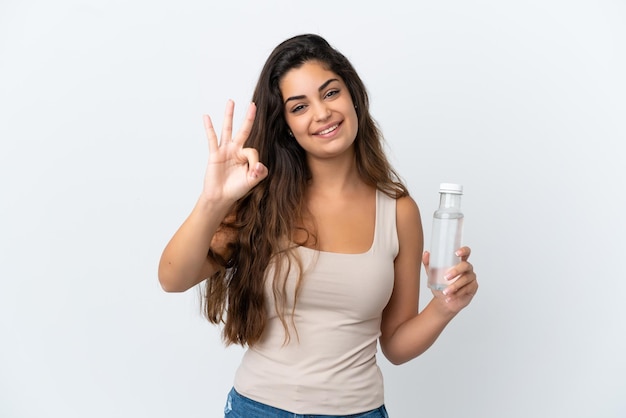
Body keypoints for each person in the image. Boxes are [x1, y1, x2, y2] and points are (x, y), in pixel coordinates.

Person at [158, 33, 478, 418]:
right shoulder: (260, 198)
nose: (322, 113)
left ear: (353, 96)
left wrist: (445, 307)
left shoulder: (398, 212)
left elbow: (395, 344)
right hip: (258, 409)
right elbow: (172, 279)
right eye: (299, 106)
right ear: (286, 125)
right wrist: (214, 200)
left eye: (330, 93)